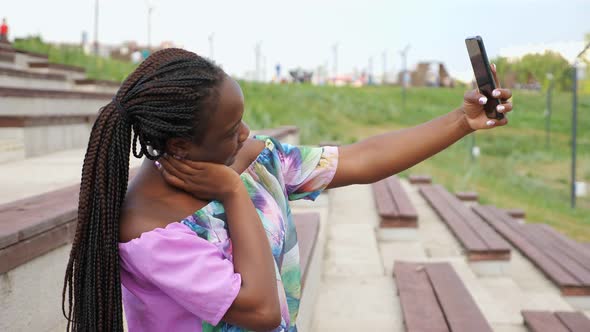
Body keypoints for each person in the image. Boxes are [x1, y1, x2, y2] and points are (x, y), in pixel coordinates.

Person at [62, 48, 512, 331]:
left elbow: (359, 159)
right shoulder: (151, 236)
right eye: (230, 130)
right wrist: (234, 194)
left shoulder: (251, 160)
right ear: (181, 144)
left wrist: (461, 122)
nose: (247, 132)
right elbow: (260, 312)